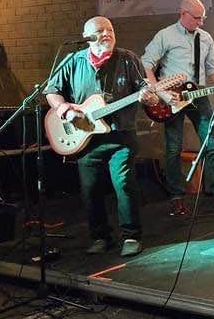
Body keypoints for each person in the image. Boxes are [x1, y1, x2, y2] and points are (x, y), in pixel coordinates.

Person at [45, 17, 158, 257]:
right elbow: (51, 91)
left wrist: (150, 97)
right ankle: (100, 236)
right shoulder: (73, 60)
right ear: (87, 36)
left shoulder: (128, 59)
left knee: (124, 184)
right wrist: (64, 109)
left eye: (110, 30)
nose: (107, 34)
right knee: (90, 189)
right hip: (86, 138)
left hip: (121, 135)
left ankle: (131, 236)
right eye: (100, 31)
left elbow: (145, 90)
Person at [142, 0, 214, 218]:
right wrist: (160, 92)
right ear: (182, 13)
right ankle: (176, 198)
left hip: (197, 94)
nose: (201, 22)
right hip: (171, 96)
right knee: (173, 148)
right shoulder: (165, 35)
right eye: (197, 18)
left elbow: (213, 71)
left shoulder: (206, 38)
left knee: (211, 143)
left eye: (203, 18)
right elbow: (146, 63)